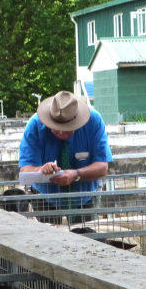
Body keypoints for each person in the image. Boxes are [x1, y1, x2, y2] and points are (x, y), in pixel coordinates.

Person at [19, 91, 113, 224]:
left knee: (87, 239)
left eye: (67, 128)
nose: (61, 132)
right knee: (47, 240)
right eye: (55, 127)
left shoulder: (94, 121)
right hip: (44, 197)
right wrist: (42, 170)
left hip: (85, 196)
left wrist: (76, 174)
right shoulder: (34, 125)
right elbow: (25, 170)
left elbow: (102, 167)